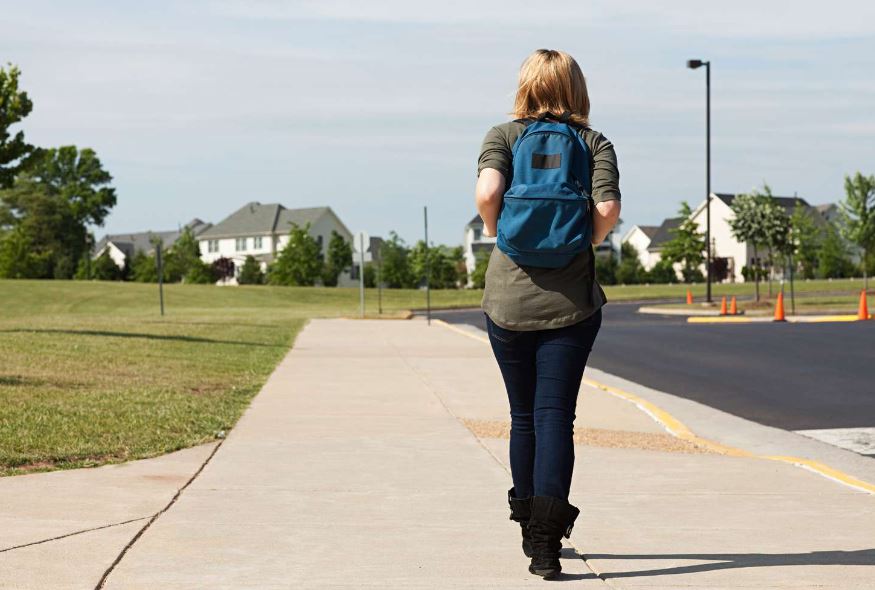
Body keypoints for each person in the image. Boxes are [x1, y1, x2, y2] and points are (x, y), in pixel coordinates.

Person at [474, 48, 621, 579]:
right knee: (556, 416)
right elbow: (606, 208)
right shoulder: (593, 141)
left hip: (507, 299)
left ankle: (526, 524)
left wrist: (497, 233)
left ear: (526, 86)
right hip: (572, 305)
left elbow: (489, 191)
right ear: (576, 89)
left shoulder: (504, 136)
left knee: (522, 416)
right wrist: (587, 240)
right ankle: (546, 546)